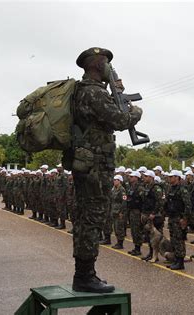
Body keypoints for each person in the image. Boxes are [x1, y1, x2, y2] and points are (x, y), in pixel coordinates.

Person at [63, 47, 142, 293]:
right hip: (95, 166)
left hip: (89, 164)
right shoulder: (93, 93)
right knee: (93, 217)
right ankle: (85, 276)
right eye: (107, 63)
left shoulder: (84, 91)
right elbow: (119, 120)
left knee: (87, 216)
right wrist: (135, 113)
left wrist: (116, 91)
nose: (110, 68)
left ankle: (85, 273)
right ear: (98, 65)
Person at [165, 170, 191, 270]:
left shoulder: (182, 189)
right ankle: (176, 259)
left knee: (179, 239)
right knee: (173, 239)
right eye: (169, 176)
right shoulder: (170, 189)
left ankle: (180, 262)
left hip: (179, 218)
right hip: (172, 217)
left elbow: (188, 205)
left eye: (172, 177)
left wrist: (185, 219)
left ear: (177, 177)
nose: (169, 178)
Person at [110, 175, 127, 249]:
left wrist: (121, 212)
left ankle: (120, 243)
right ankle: (118, 242)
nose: (114, 181)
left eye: (116, 180)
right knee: (116, 227)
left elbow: (124, 201)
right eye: (114, 180)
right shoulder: (113, 189)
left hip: (119, 211)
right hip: (114, 210)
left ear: (119, 181)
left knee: (119, 227)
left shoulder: (122, 190)